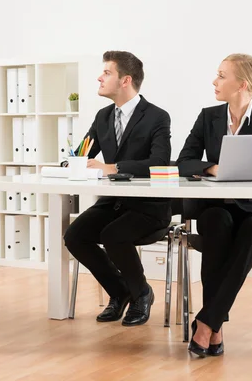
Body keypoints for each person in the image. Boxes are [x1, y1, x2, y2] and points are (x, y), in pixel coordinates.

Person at [176, 53, 252, 357]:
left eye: (221, 75)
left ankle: (207, 322)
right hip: (217, 207)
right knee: (217, 222)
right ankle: (214, 324)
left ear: (241, 84)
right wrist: (212, 168)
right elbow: (183, 161)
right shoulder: (208, 117)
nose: (214, 81)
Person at [63, 51, 172, 326]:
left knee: (113, 235)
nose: (100, 77)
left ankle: (141, 293)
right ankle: (121, 291)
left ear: (126, 80)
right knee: (75, 236)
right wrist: (69, 161)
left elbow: (159, 162)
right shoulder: (102, 117)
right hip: (114, 203)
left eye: (107, 73)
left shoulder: (157, 117)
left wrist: (112, 167)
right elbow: (81, 153)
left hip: (149, 207)